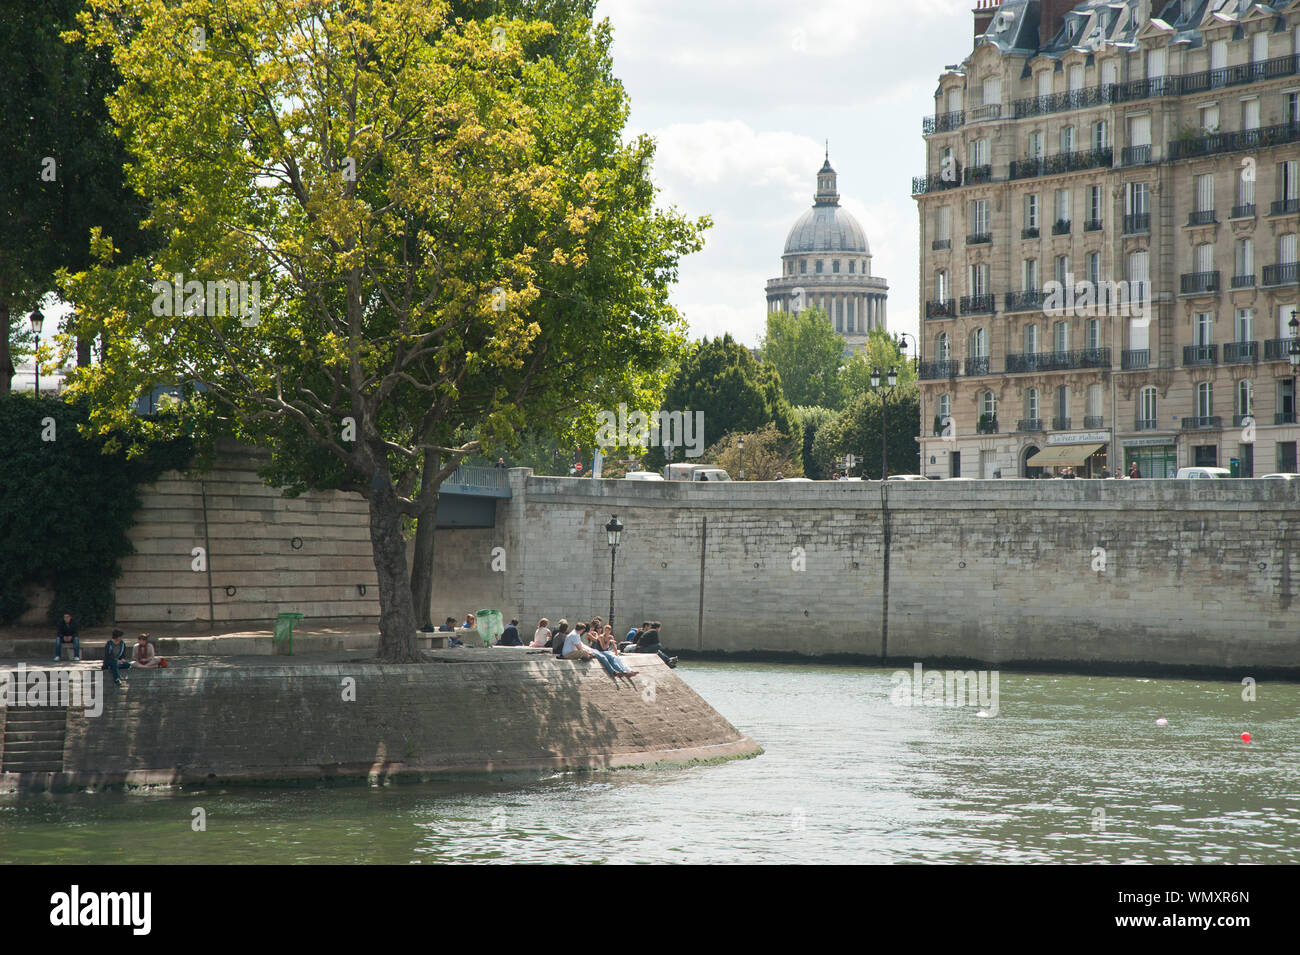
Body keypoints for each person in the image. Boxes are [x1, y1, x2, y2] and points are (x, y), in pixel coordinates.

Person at [562, 622, 637, 679]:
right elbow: (580, 649)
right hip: (568, 654)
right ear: (582, 629)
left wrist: (590, 650)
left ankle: (621, 671)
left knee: (609, 657)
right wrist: (589, 652)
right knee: (601, 656)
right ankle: (613, 672)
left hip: (576, 651)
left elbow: (581, 645)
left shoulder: (575, 633)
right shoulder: (574, 635)